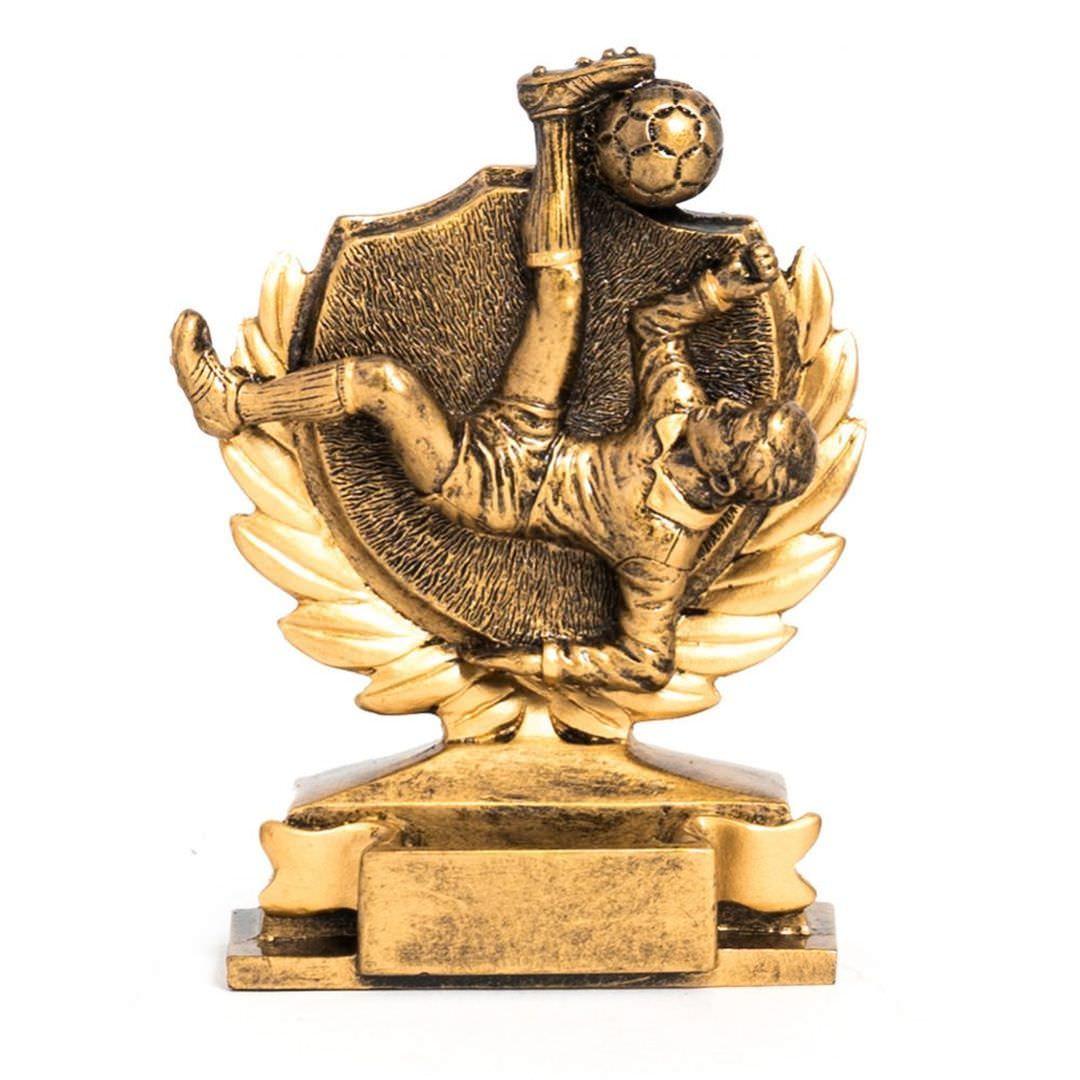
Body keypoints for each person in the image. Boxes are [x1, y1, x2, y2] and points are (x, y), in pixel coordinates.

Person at [172, 50, 816, 693]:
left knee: (384, 385)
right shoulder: (682, 411)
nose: (726, 408)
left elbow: (646, 664)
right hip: (530, 430)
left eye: (734, 428)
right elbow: (654, 328)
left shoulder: (663, 553)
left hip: (484, 488)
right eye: (744, 409)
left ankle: (231, 408)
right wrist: (720, 290)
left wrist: (528, 662)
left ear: (723, 478)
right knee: (561, 292)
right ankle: (553, 116)